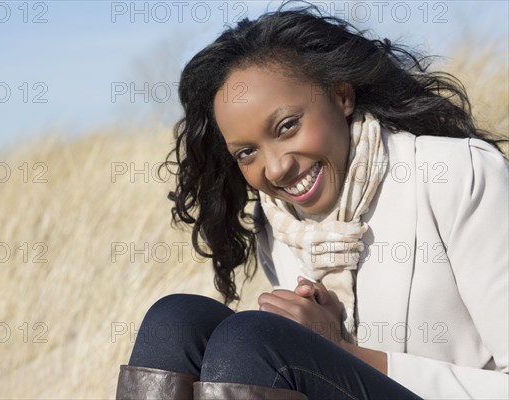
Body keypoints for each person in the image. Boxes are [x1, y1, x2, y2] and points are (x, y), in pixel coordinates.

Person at [115, 2, 509, 399]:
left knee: (252, 341)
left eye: (287, 126)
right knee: (176, 321)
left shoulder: (457, 175)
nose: (275, 168)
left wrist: (340, 351)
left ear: (341, 96)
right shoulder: (278, 222)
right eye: (247, 153)